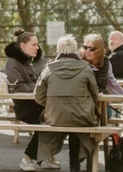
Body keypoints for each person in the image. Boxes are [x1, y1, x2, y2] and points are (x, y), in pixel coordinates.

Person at [34, 34, 99, 172]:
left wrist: (53, 104)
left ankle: (33, 160)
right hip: (81, 116)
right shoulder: (86, 68)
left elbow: (38, 96)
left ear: (58, 50)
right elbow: (95, 95)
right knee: (76, 124)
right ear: (75, 50)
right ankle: (75, 166)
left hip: (55, 117)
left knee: (63, 120)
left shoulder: (48, 69)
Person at [4, 29, 58, 171]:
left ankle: (46, 153)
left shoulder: (41, 60)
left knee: (62, 115)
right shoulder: (12, 63)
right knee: (50, 119)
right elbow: (17, 87)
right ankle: (28, 157)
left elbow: (50, 78)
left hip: (44, 103)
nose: (37, 47)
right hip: (25, 106)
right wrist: (41, 86)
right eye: (34, 44)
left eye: (37, 44)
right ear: (23, 45)